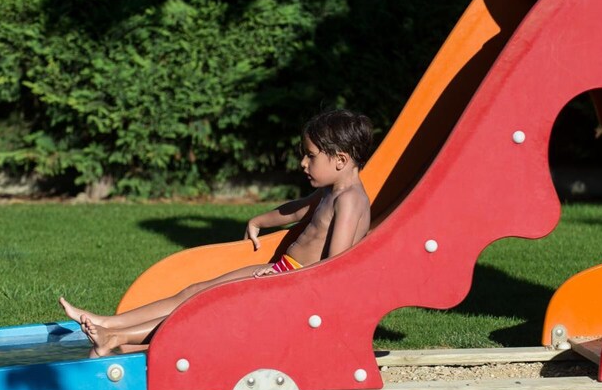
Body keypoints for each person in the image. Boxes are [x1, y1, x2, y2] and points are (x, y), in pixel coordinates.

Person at [59, 109, 374, 357]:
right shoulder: (332, 190)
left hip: (292, 286)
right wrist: (259, 221)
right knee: (196, 291)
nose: (303, 162)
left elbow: (334, 269)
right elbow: (296, 210)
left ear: (340, 160)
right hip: (282, 272)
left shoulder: (349, 201)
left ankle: (116, 337)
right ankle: (106, 323)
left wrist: (285, 282)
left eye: (311, 155)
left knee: (203, 308)